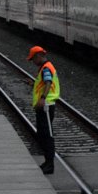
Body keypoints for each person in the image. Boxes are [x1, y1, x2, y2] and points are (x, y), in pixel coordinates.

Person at [28, 46, 61, 174]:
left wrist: (42, 98)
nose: (32, 62)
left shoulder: (46, 68)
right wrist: (33, 84)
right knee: (43, 134)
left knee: (47, 135)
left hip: (46, 106)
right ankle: (47, 162)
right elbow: (44, 83)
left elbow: (48, 82)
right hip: (45, 106)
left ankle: (50, 164)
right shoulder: (44, 67)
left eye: (32, 59)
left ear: (38, 56)